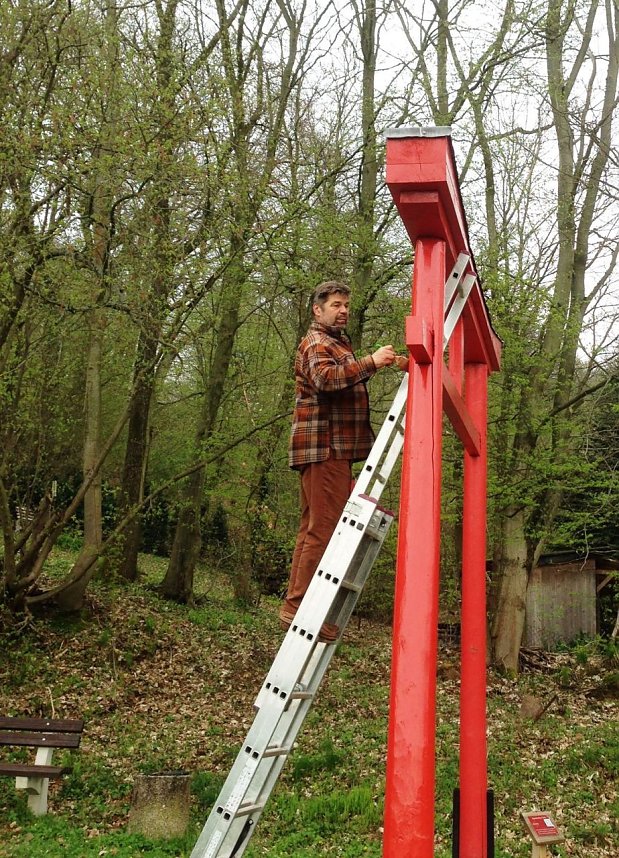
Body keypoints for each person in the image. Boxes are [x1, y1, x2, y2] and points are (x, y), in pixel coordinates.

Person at [279, 280, 397, 642]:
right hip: (324, 447)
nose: (343, 310)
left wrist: (393, 362)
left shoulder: (335, 344)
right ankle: (303, 610)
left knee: (312, 528)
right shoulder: (316, 342)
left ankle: (296, 606)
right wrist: (372, 363)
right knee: (324, 530)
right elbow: (326, 380)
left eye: (346, 304)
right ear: (318, 310)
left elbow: (346, 375)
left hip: (331, 449)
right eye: (335, 304)